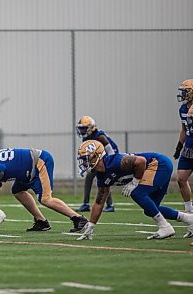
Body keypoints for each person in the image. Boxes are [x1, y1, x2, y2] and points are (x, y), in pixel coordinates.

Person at [76, 140, 193, 240]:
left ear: (97, 155)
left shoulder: (114, 161)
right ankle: (189, 219)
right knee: (151, 208)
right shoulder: (101, 176)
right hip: (158, 167)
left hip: (159, 164)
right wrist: (91, 225)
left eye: (86, 159)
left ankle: (165, 227)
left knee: (137, 193)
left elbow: (140, 161)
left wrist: (135, 181)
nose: (84, 163)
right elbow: (99, 201)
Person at [0, 145, 88, 235]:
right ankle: (41, 221)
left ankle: (79, 219)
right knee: (17, 191)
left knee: (45, 199)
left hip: (39, 162)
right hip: (27, 171)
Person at [75, 116, 119, 213]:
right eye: (80, 128)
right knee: (89, 177)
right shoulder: (87, 138)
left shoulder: (100, 136)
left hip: (109, 158)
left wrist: (108, 165)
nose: (82, 131)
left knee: (104, 180)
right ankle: (86, 204)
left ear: (91, 127)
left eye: (84, 128)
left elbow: (111, 152)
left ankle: (110, 205)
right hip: (99, 158)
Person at [174, 79, 193, 216]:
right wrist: (179, 147)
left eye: (185, 91)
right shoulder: (183, 108)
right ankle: (189, 209)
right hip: (188, 147)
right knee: (181, 178)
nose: (183, 94)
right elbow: (184, 129)